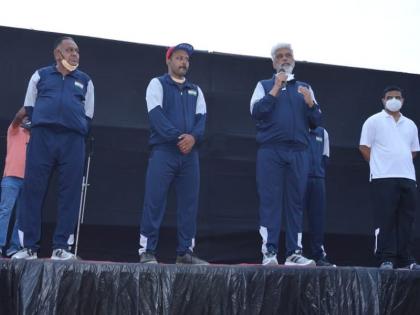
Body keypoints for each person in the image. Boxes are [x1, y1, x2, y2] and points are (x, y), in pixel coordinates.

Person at [12, 36, 94, 260]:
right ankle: (28, 247)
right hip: (42, 137)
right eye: (70, 50)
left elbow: (88, 115)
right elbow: (30, 105)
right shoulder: (40, 75)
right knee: (33, 191)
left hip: (73, 141)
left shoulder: (86, 81)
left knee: (69, 194)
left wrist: (73, 128)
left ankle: (62, 247)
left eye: (77, 51)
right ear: (58, 54)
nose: (75, 54)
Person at [250, 43, 322, 266]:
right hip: (271, 151)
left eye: (288, 55)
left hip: (299, 152)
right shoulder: (263, 85)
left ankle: (293, 253)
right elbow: (257, 112)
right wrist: (275, 88)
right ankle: (269, 252)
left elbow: (317, 121)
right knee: (270, 201)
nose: (284, 59)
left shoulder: (305, 88)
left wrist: (310, 104)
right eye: (279, 56)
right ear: (273, 63)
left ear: (294, 60)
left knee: (296, 202)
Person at [138, 43, 208, 265]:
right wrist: (180, 138)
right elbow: (156, 115)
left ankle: (185, 252)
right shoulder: (157, 84)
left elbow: (202, 119)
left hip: (189, 154)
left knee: (189, 203)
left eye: (186, 59)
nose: (183, 62)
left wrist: (193, 138)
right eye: (179, 58)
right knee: (154, 200)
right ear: (168, 61)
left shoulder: (196, 90)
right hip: (164, 151)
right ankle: (147, 251)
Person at [359, 85, 420, 270]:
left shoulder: (410, 124)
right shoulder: (373, 121)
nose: (394, 100)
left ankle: (406, 258)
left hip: (408, 177)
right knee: (385, 218)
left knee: (406, 219)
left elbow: (414, 150)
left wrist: (401, 163)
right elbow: (364, 147)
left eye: (397, 97)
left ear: (402, 100)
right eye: (390, 97)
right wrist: (379, 165)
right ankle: (386, 257)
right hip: (383, 177)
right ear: (383, 100)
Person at [303, 126, 335, 266]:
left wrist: (317, 171)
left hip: (318, 179)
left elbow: (325, 157)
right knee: (295, 216)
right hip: (299, 178)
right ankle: (294, 252)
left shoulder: (323, 132)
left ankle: (318, 253)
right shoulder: (295, 126)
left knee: (318, 217)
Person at [0, 108, 30, 257]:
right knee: (5, 211)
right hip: (11, 177)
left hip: (27, 180)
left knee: (21, 216)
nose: (26, 120)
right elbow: (18, 116)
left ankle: (14, 247)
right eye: (26, 118)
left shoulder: (34, 137)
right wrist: (29, 104)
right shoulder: (14, 130)